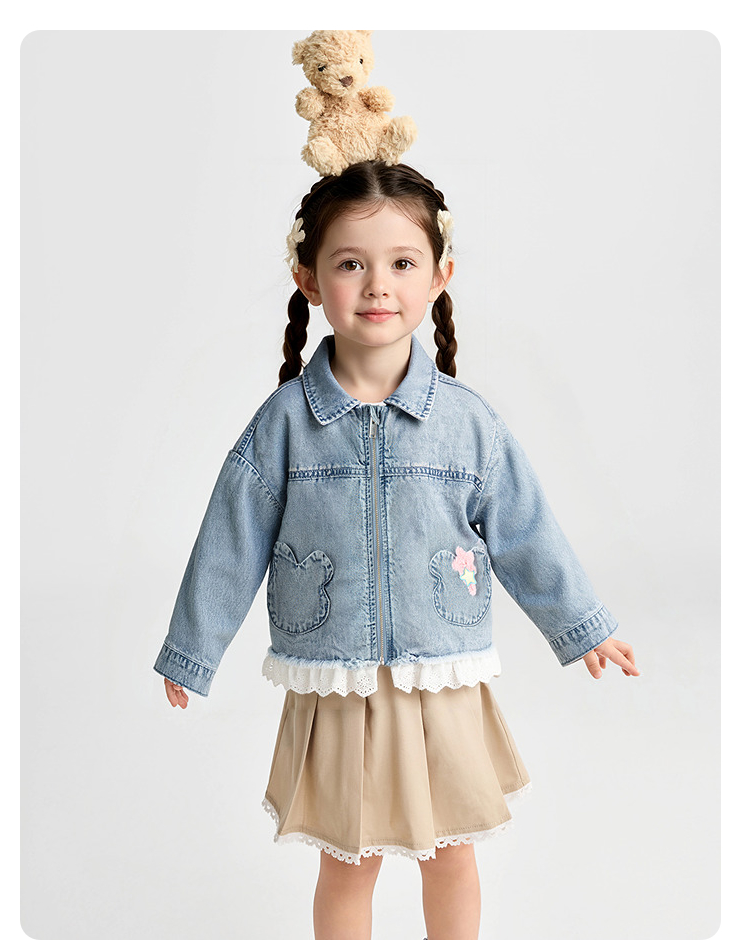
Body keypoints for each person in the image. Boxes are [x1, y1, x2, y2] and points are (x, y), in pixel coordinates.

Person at [154, 159, 639, 940]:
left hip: (441, 678)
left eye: (403, 263)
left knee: (450, 857)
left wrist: (583, 625)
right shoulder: (284, 424)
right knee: (348, 863)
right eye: (351, 263)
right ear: (309, 278)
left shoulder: (468, 423)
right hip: (339, 681)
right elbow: (230, 540)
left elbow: (524, 531)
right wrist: (192, 650)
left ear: (440, 276)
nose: (378, 285)